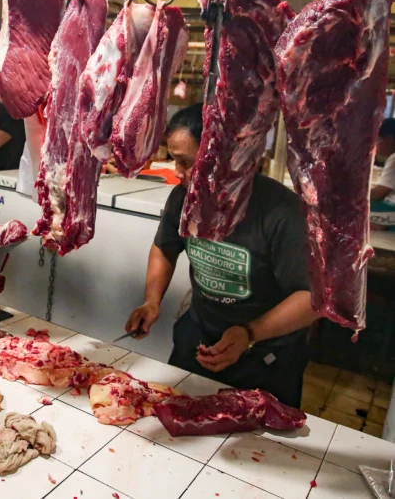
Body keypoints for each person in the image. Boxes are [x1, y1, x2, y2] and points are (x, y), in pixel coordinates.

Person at [124, 103, 318, 407]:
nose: (177, 173)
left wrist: (249, 333)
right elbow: (165, 247)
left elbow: (312, 299)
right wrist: (152, 300)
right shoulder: (185, 198)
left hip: (265, 355)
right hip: (200, 337)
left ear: (222, 156)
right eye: (175, 160)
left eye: (185, 162)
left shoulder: (281, 211)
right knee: (177, 416)